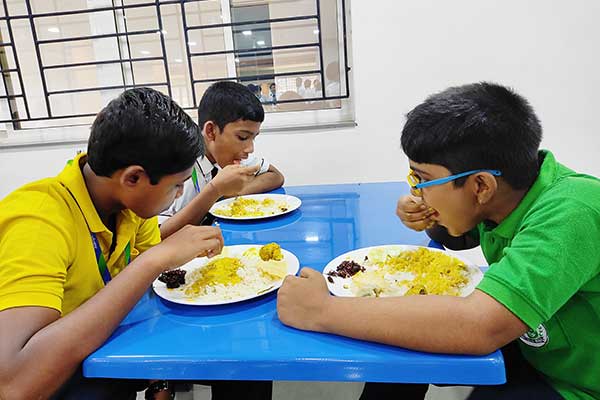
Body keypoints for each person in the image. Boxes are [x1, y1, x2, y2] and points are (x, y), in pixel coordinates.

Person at [277, 82, 600, 399]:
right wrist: (434, 220)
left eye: (423, 180)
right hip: (538, 348)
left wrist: (322, 311)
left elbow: (479, 326)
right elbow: (461, 237)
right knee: (398, 355)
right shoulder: (512, 193)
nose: (415, 191)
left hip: (574, 384)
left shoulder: (571, 212)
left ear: (481, 187)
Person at [0, 87, 224, 400]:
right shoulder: (40, 219)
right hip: (56, 381)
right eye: (176, 186)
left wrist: (160, 381)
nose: (177, 196)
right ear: (133, 178)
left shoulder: (133, 207)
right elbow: (14, 384)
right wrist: (154, 260)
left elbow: (141, 297)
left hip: (103, 357)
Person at [159, 81, 284, 238]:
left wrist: (229, 194)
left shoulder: (229, 157)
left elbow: (275, 176)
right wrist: (215, 191)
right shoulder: (179, 166)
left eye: (253, 138)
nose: (250, 149)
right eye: (243, 137)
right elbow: (157, 236)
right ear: (211, 131)